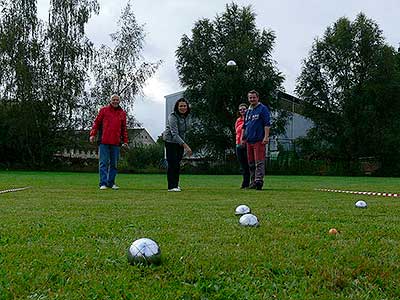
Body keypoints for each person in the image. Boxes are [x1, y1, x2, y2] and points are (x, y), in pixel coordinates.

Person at [89, 94, 128, 190]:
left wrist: (125, 141)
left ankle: (111, 183)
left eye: (117, 100)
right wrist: (93, 134)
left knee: (114, 164)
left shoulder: (122, 113)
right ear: (110, 101)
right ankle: (103, 183)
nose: (115, 101)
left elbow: (124, 129)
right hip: (104, 141)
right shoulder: (104, 110)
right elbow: (96, 123)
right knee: (103, 163)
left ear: (119, 101)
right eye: (113, 100)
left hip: (116, 142)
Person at [241, 90, 271, 190]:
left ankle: (259, 181)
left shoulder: (263, 109)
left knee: (259, 162)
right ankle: (253, 181)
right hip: (249, 140)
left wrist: (266, 136)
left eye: (254, 97)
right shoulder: (248, 111)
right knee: (251, 163)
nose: (252, 99)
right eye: (250, 98)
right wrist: (243, 138)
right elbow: (245, 126)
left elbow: (267, 123)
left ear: (257, 98)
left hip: (259, 139)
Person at [163, 98, 192, 192]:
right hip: (170, 141)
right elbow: (174, 133)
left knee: (177, 164)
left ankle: (176, 184)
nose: (183, 107)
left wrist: (183, 143)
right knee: (172, 163)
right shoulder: (172, 116)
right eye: (181, 106)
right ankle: (171, 186)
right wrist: (186, 146)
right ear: (177, 107)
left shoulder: (187, 117)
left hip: (179, 142)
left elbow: (186, 130)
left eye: (184, 106)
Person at [235, 103, 250, 189]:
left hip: (247, 143)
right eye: (240, 110)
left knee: (249, 164)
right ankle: (245, 182)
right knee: (243, 165)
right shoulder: (238, 120)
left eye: (244, 109)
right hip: (238, 144)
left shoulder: (249, 119)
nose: (242, 111)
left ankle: (251, 182)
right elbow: (237, 132)